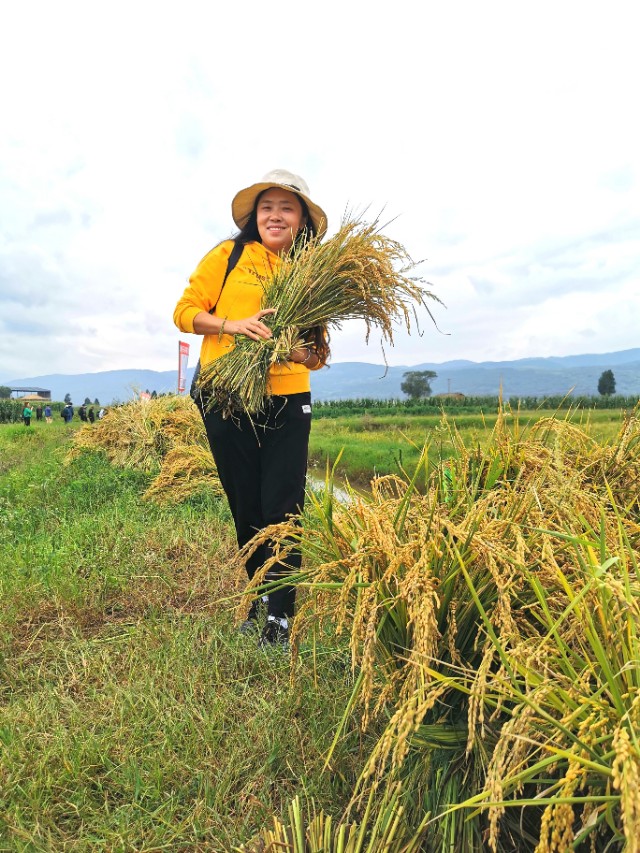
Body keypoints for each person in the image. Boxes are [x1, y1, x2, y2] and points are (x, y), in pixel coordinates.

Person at [173, 169, 329, 649]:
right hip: (227, 394)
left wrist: (287, 350)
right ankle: (258, 596)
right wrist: (233, 325)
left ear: (301, 219)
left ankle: (281, 618)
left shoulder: (314, 273)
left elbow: (318, 354)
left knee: (284, 504)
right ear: (254, 216)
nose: (275, 215)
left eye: (287, 207)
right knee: (246, 504)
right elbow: (184, 312)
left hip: (286, 399)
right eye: (267, 207)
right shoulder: (228, 256)